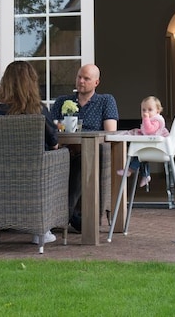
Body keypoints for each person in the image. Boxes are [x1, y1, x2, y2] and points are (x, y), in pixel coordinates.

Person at [0, 60, 60, 245]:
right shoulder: (38, 110)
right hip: (35, 176)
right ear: (31, 82)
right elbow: (54, 144)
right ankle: (42, 228)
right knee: (66, 159)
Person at [51, 63, 118, 232]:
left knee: (83, 160)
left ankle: (64, 215)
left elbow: (110, 133)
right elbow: (51, 129)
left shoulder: (105, 101)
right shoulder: (62, 101)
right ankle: (72, 216)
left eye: (86, 78)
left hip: (93, 152)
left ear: (96, 82)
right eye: (79, 77)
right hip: (65, 151)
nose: (81, 81)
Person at [116, 96, 169, 189]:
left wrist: (146, 119)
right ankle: (146, 175)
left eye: (150, 110)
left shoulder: (157, 121)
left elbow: (149, 130)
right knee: (141, 155)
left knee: (139, 155)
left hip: (160, 149)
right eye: (143, 110)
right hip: (153, 146)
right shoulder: (151, 119)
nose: (146, 112)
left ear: (158, 111)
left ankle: (130, 169)